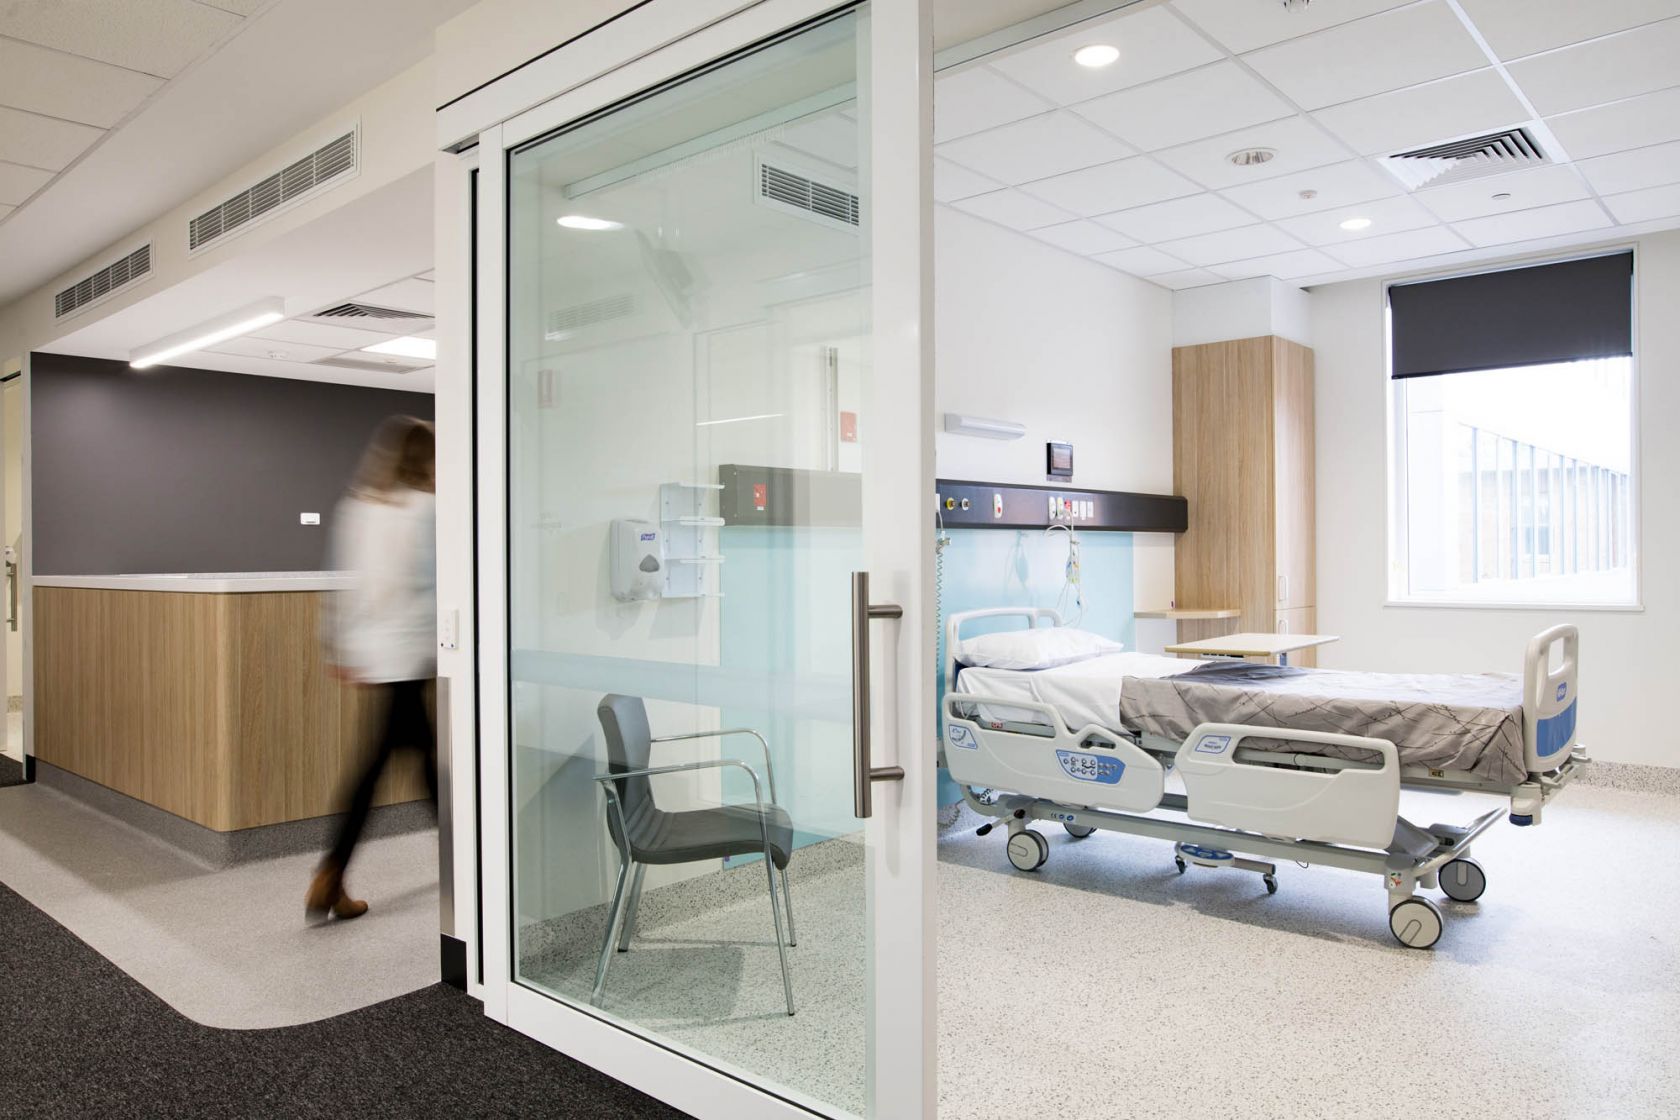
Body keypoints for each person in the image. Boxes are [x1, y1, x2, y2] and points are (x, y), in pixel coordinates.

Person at [306, 415, 438, 922]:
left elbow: (345, 582)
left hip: (375, 653)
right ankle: (332, 872)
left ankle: (331, 876)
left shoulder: (357, 508)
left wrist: (337, 645)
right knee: (404, 764)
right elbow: (435, 579)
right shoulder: (427, 509)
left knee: (410, 759)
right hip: (412, 651)